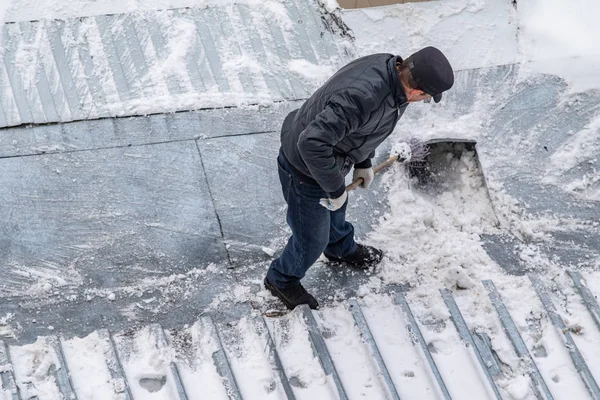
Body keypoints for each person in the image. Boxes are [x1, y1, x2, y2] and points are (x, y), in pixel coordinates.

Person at [264, 47, 454, 310]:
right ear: (418, 91)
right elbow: (311, 144)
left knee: (336, 211)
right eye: (426, 98)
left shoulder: (393, 75)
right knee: (311, 239)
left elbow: (365, 130)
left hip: (330, 159)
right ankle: (281, 279)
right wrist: (333, 187)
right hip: (304, 169)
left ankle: (340, 246)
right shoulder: (364, 96)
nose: (423, 101)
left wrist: (363, 162)